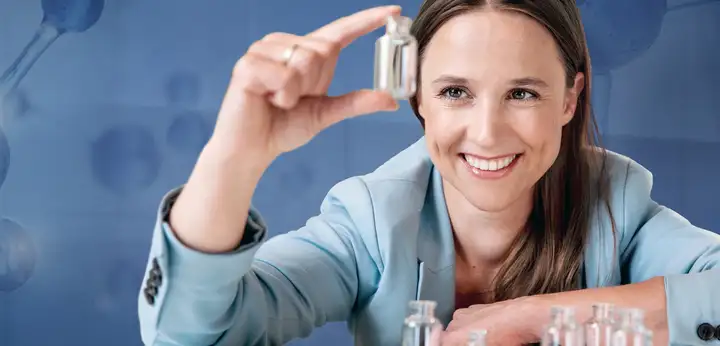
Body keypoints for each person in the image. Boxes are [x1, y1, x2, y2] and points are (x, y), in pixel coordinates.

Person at [137, 1, 720, 345]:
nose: (487, 133)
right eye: (455, 92)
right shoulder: (371, 221)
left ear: (569, 101)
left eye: (522, 92)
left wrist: (522, 317)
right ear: (419, 99)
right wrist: (235, 156)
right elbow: (191, 334)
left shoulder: (616, 205)